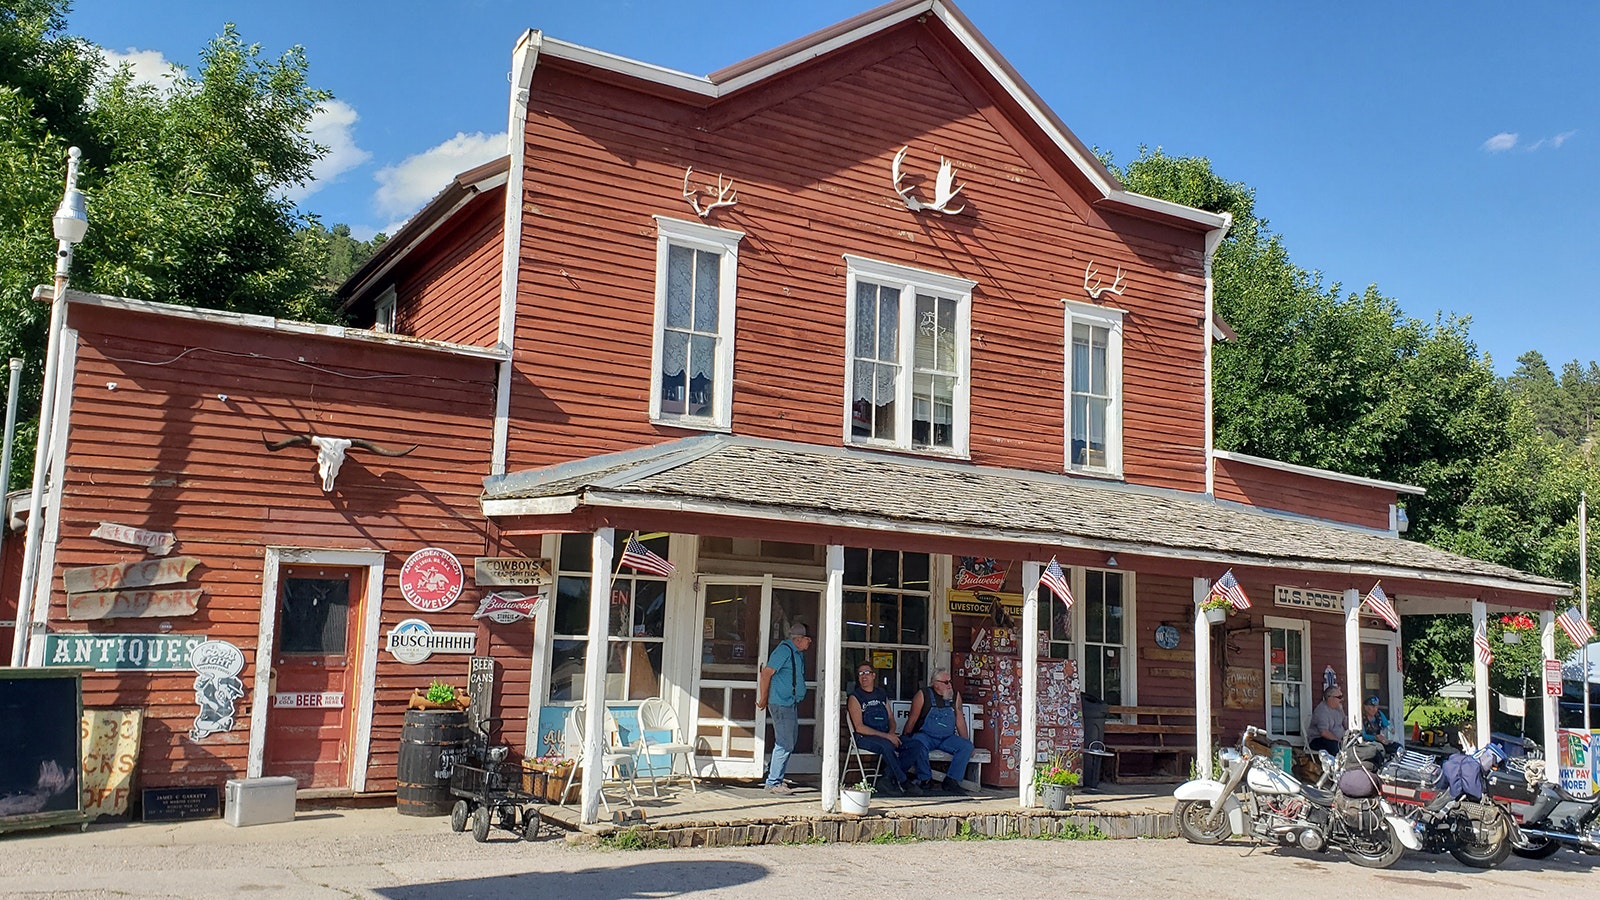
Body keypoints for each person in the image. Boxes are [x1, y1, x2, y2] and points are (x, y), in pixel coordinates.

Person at [847, 665, 921, 796]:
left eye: (867, 673)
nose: (864, 676)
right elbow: (859, 727)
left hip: (885, 734)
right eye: (860, 674)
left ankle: (887, 779)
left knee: (915, 745)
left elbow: (891, 718)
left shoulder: (881, 694)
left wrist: (891, 733)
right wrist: (887, 737)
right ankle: (903, 781)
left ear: (873, 675)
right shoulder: (855, 697)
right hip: (865, 737)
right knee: (887, 746)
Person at [757, 622, 811, 795]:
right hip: (781, 703)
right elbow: (766, 673)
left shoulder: (796, 653)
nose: (810, 643)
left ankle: (773, 774)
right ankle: (773, 782)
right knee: (785, 742)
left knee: (788, 740)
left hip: (789, 703)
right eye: (808, 639)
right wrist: (763, 698)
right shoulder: (784, 651)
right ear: (799, 639)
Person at [902, 669, 974, 794]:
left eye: (950, 682)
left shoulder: (955, 696)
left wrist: (966, 740)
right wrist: (905, 737)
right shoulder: (923, 695)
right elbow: (912, 719)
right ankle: (925, 779)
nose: (950, 685)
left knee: (966, 747)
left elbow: (960, 720)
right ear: (936, 684)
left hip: (947, 738)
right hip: (927, 737)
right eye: (946, 682)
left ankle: (952, 780)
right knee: (918, 743)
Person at [1308, 685, 1347, 755]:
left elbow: (1345, 722)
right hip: (1318, 739)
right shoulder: (1322, 711)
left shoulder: (1339, 708)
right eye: (1339, 697)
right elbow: (1324, 732)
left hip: (1338, 739)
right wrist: (1339, 741)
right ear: (1330, 698)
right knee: (1335, 746)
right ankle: (1338, 764)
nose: (1342, 699)